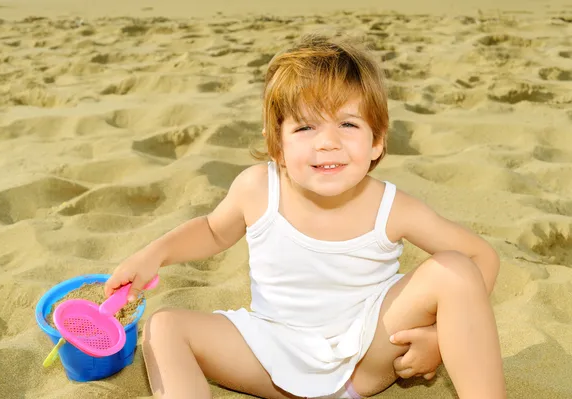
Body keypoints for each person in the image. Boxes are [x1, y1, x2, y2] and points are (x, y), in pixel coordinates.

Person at [104, 33, 506, 399]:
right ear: (277, 143)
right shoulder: (257, 189)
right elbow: (211, 231)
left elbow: (482, 258)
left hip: (366, 355)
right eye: (306, 128)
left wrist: (436, 337)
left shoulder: (392, 207)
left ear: (376, 141)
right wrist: (153, 255)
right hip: (271, 355)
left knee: (454, 268)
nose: (327, 143)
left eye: (348, 124)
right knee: (164, 328)